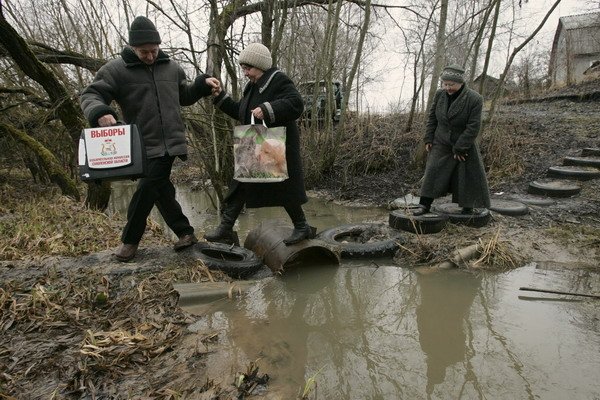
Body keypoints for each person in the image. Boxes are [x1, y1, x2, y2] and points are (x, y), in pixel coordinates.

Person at [80, 16, 220, 262]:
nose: (150, 56)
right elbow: (91, 94)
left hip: (172, 141)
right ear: (133, 48)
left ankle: (130, 241)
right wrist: (100, 112)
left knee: (147, 188)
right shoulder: (116, 70)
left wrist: (202, 85)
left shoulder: (172, 68)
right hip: (141, 144)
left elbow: (184, 96)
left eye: (154, 51)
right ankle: (185, 232)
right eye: (144, 52)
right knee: (160, 189)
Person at [205, 43, 313, 246]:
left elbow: (296, 103)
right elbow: (241, 111)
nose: (245, 73)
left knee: (285, 188)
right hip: (255, 143)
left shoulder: (278, 80)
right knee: (241, 184)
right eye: (243, 68)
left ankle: (301, 226)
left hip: (277, 145)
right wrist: (220, 97)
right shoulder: (253, 87)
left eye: (248, 68)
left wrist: (268, 108)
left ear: (261, 65)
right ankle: (226, 228)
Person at [414, 64, 490, 215]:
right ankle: (424, 205)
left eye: (452, 85)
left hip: (463, 141)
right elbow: (432, 118)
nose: (448, 88)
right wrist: (428, 137)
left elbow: (474, 126)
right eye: (445, 84)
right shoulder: (439, 95)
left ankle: (468, 207)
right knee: (432, 171)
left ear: (461, 83)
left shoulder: (475, 99)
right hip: (440, 140)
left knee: (466, 173)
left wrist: (461, 147)